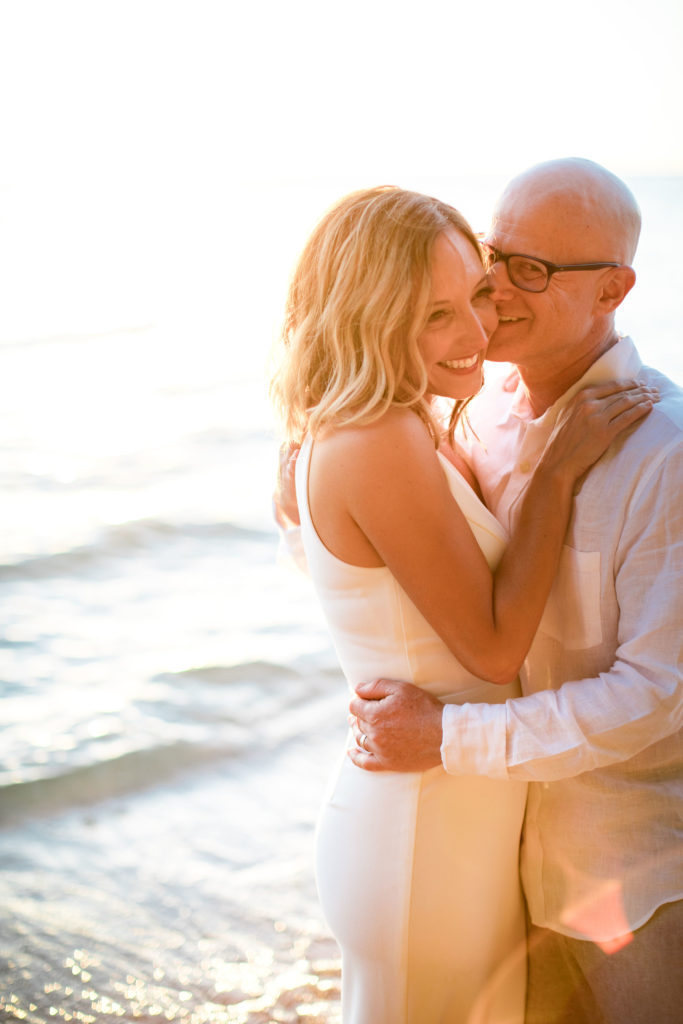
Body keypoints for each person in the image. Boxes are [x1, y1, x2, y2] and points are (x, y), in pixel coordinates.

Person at [269, 183, 656, 1023]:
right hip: (422, 826)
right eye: (433, 314)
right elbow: (491, 653)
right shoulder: (377, 438)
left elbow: (356, 573)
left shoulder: (395, 424)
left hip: (456, 812)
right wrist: (556, 474)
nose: (476, 331)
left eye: (476, 294)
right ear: (367, 316)